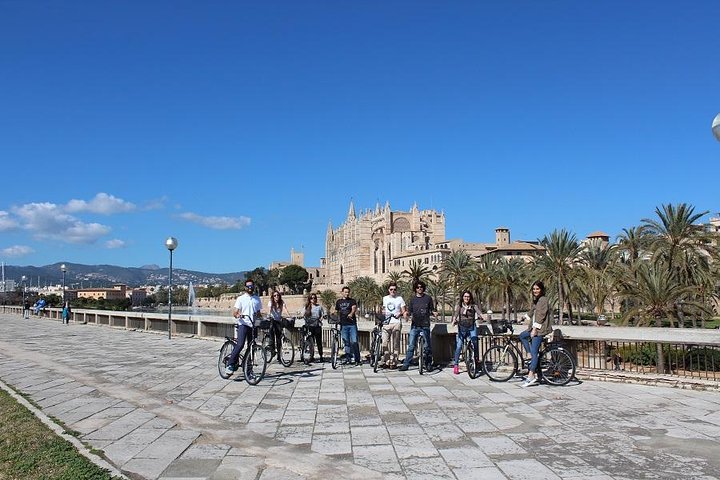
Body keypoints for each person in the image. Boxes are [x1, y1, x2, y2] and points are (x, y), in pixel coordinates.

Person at [225, 280, 263, 376]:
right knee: (240, 344)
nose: (250, 287)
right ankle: (230, 364)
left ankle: (248, 369)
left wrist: (263, 319)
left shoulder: (257, 299)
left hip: (253, 325)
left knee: (252, 347)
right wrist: (238, 315)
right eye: (248, 286)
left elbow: (258, 313)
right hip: (243, 324)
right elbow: (235, 312)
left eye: (251, 285)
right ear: (245, 287)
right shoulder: (241, 299)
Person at [518, 280, 552, 387]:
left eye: (537, 289)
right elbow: (532, 311)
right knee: (522, 336)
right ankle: (530, 355)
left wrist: (535, 329)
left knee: (534, 353)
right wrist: (524, 317)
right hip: (533, 328)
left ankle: (531, 376)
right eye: (533, 289)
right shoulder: (536, 300)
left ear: (541, 290)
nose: (535, 291)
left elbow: (541, 316)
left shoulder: (543, 300)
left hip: (539, 330)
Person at [399, 280, 435, 372]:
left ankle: (428, 364)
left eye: (421, 287)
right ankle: (406, 364)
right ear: (415, 289)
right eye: (418, 287)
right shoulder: (413, 299)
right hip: (415, 325)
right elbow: (409, 311)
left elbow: (432, 309)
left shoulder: (428, 298)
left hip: (425, 325)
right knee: (411, 346)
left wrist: (434, 312)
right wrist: (406, 314)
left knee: (427, 346)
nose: (420, 288)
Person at [451, 291, 483, 375]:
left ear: (470, 297)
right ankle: (456, 365)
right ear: (463, 297)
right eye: (465, 296)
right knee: (458, 346)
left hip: (471, 327)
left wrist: (482, 316)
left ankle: (476, 361)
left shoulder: (473, 306)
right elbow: (456, 315)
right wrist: (453, 321)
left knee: (475, 342)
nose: (466, 298)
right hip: (462, 328)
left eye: (468, 296)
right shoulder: (459, 306)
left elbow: (479, 312)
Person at [381, 282, 406, 368]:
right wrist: (383, 312)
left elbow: (404, 310)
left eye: (394, 289)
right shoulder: (385, 298)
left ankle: (394, 361)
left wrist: (400, 314)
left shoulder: (400, 299)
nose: (393, 291)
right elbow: (383, 308)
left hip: (396, 323)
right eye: (391, 289)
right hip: (386, 323)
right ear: (388, 290)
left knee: (396, 343)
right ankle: (387, 360)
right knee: (384, 342)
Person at [335, 286, 361, 366]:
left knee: (354, 341)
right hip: (343, 324)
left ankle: (357, 359)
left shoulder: (352, 301)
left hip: (352, 324)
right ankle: (348, 358)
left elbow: (354, 308)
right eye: (345, 292)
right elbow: (336, 311)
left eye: (348, 292)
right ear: (342, 292)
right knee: (346, 342)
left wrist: (351, 314)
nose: (347, 293)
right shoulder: (338, 302)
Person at [267, 291, 290, 362]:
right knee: (272, 334)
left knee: (279, 338)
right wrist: (269, 315)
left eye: (277, 295)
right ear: (272, 297)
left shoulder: (281, 302)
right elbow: (269, 310)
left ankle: (279, 356)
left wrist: (289, 316)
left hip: (278, 321)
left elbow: (285, 310)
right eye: (274, 295)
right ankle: (272, 350)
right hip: (272, 320)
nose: (276, 296)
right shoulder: (271, 302)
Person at [304, 293, 325, 362]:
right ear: (309, 299)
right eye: (312, 298)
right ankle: (311, 356)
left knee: (319, 342)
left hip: (317, 326)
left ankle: (321, 355)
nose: (313, 299)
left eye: (315, 298)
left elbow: (322, 314)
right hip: (310, 326)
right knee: (311, 342)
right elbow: (302, 314)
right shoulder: (307, 307)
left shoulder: (319, 307)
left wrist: (321, 319)